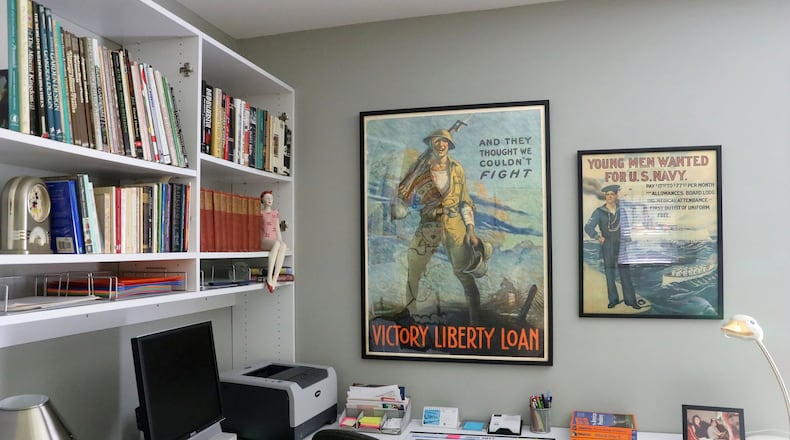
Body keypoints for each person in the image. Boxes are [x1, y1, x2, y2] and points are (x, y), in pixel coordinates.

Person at [392, 127, 488, 325]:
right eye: (437, 140)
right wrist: (404, 203)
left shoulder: (457, 169)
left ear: (449, 145)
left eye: (445, 141)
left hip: (454, 225)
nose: (441, 144)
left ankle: (476, 324)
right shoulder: (419, 170)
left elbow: (465, 201)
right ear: (430, 144)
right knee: (413, 270)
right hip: (428, 224)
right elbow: (405, 199)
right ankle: (410, 319)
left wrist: (470, 231)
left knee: (464, 273)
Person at [583, 184, 640, 309]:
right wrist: (597, 237)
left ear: (616, 196)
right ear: (605, 196)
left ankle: (630, 301)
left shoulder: (621, 211)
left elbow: (626, 227)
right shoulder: (599, 212)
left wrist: (628, 241)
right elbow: (588, 227)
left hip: (621, 245)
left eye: (612, 194)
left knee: (625, 272)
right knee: (610, 273)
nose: (609, 196)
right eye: (607, 194)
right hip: (607, 245)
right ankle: (613, 300)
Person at [260, 191, 288, 293]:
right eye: (267, 198)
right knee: (277, 244)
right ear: (262, 200)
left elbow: (277, 229)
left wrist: (281, 241)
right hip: (264, 240)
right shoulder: (260, 213)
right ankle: (269, 277)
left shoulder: (275, 213)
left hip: (274, 240)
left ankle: (274, 279)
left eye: (271, 198)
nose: (269, 200)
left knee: (283, 245)